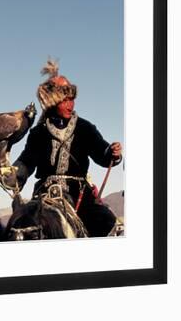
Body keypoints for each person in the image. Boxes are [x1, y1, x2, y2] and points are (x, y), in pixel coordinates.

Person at [10, 60, 123, 237]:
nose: (70, 105)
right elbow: (27, 160)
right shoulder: (38, 132)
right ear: (53, 103)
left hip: (79, 195)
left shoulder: (85, 128)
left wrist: (112, 153)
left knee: (107, 223)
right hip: (45, 194)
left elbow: (102, 153)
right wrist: (14, 173)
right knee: (20, 226)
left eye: (72, 99)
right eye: (65, 100)